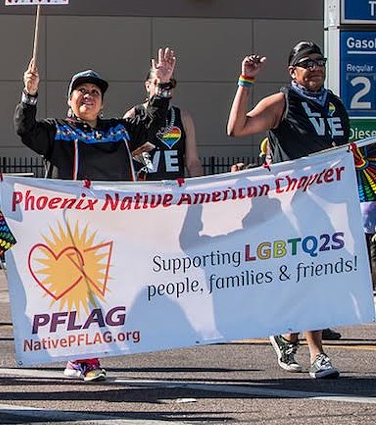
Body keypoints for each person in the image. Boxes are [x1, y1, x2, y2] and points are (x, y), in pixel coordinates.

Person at [15, 49, 177, 382]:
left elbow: (151, 124)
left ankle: (80, 356)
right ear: (69, 100)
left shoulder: (118, 130)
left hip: (113, 225)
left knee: (106, 292)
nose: (88, 97)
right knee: (81, 290)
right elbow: (25, 130)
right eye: (82, 92)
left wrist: (160, 87)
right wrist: (29, 94)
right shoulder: (57, 130)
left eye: (95, 93)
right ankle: (85, 359)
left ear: (102, 102)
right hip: (69, 228)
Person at [226, 41, 347, 379]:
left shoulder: (335, 105)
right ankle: (318, 354)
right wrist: (245, 82)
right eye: (307, 63)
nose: (315, 68)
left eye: (319, 62)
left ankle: (286, 333)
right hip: (291, 206)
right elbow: (236, 129)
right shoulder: (283, 101)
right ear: (293, 71)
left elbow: (340, 153)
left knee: (317, 276)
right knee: (310, 277)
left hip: (326, 204)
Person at [124, 68, 202, 179]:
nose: (164, 87)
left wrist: (199, 190)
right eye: (158, 83)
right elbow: (124, 160)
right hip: (144, 191)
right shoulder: (133, 115)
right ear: (147, 85)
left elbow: (192, 162)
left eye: (170, 83)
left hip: (174, 190)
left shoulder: (183, 118)